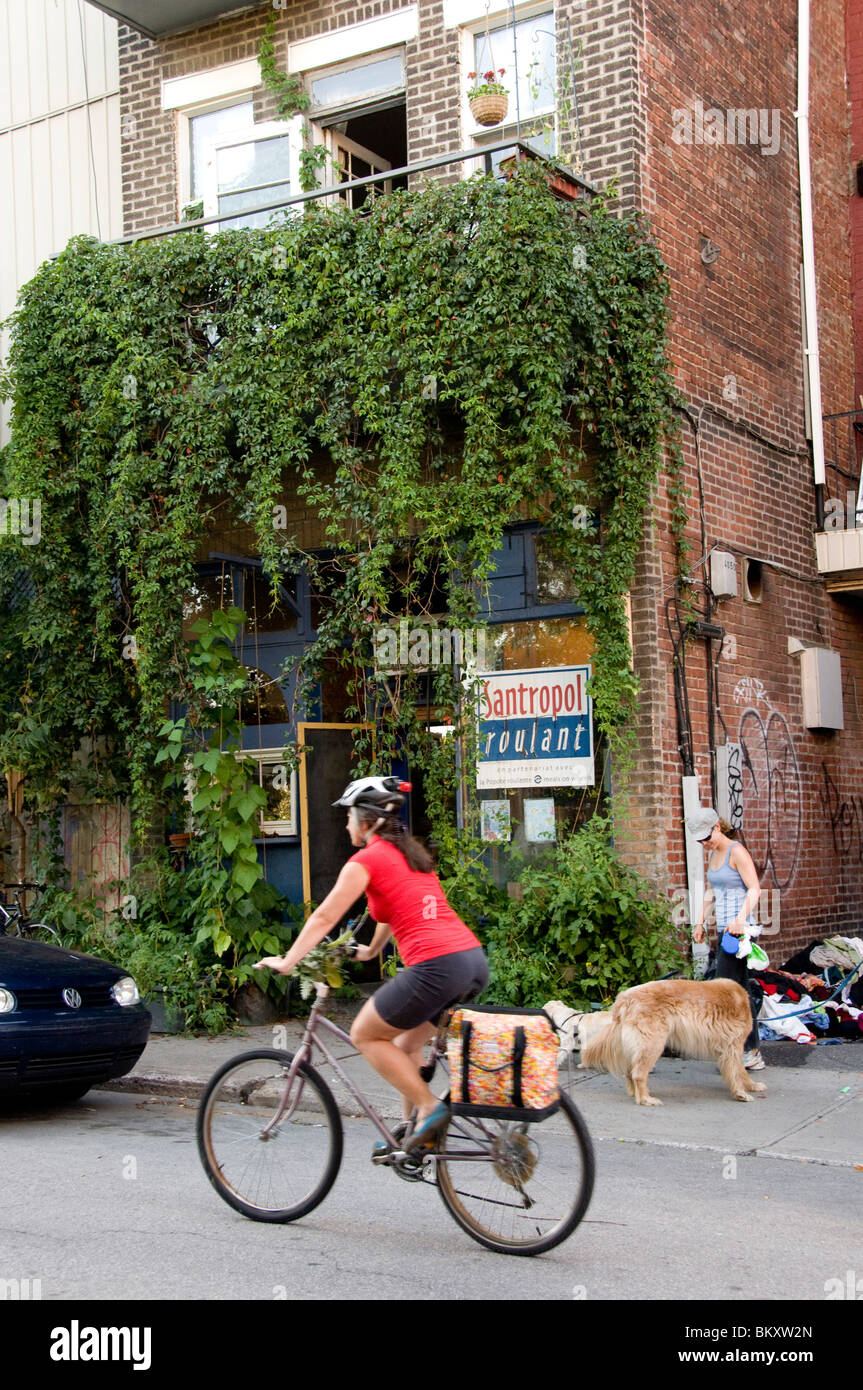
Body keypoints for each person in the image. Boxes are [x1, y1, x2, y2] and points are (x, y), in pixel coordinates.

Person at [255, 775, 489, 1149]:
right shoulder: (411, 855)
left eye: (348, 816)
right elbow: (389, 912)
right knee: (405, 1043)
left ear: (366, 821)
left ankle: (429, 1109)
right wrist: (371, 951)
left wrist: (288, 961)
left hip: (437, 966)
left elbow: (323, 918)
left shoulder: (365, 861)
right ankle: (413, 1135)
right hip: (470, 962)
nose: (346, 824)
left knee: (366, 1034)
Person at [688, 807, 766, 1070]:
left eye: (706, 837)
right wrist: (699, 922)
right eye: (700, 840)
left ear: (717, 827)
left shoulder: (737, 852)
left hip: (740, 931)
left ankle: (743, 1050)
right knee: (739, 990)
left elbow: (754, 889)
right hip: (725, 930)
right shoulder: (714, 854)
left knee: (726, 989)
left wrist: (741, 919)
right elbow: (712, 892)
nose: (704, 843)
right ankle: (749, 1050)